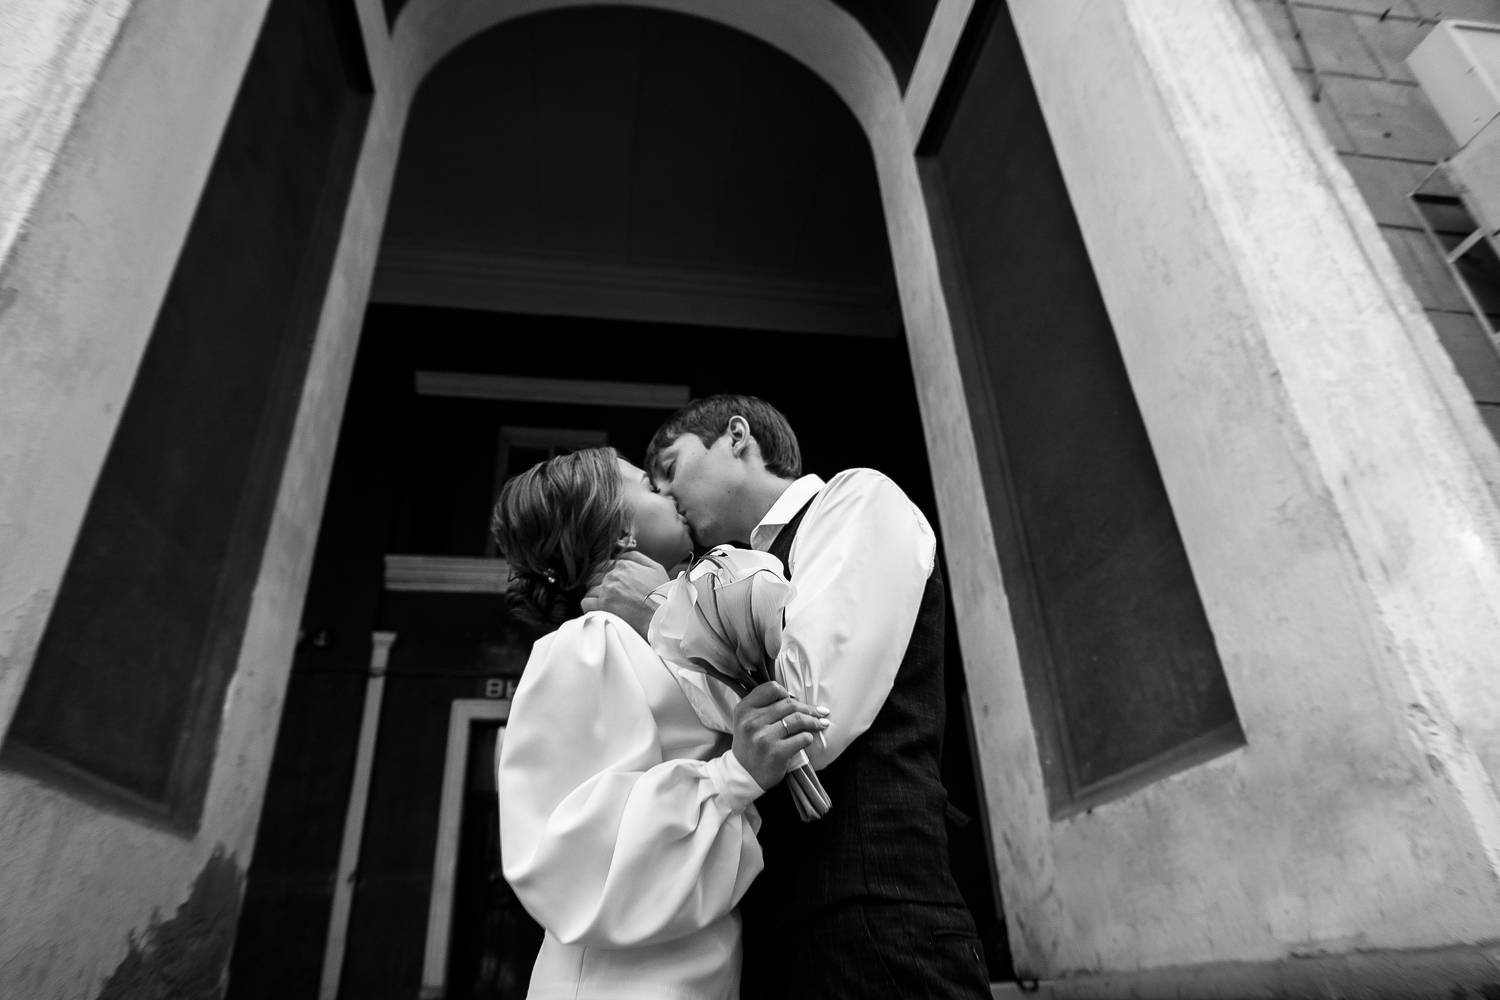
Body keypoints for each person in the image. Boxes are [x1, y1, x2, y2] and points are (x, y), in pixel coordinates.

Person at [585, 395, 992, 999]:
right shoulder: (714, 586)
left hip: (873, 917)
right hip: (766, 938)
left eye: (670, 468)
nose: (665, 495)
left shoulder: (856, 500)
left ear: (737, 437)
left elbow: (806, 719)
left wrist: (658, 613)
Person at [491, 446, 829, 1000]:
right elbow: (573, 856)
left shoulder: (671, 633)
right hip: (619, 980)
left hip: (703, 956)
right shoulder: (589, 644)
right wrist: (734, 776)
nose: (669, 492)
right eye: (649, 486)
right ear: (621, 529)